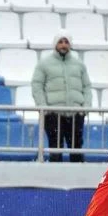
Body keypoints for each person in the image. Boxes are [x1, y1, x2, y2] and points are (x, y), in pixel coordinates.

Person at [31, 30, 92, 163]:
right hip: (53, 114)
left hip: (75, 113)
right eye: (60, 42)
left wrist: (85, 108)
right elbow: (37, 86)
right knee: (55, 147)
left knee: (76, 147)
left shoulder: (79, 64)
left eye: (66, 42)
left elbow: (87, 86)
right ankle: (54, 175)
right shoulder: (44, 64)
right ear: (55, 44)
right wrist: (44, 108)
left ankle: (77, 174)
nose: (63, 45)